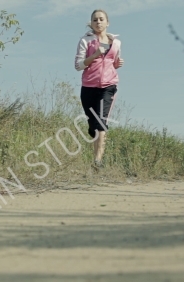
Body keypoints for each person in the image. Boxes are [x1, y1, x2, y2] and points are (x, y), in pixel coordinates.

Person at [75, 9, 124, 170]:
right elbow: (78, 65)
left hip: (108, 86)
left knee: (101, 123)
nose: (98, 22)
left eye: (101, 19)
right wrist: (95, 54)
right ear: (91, 23)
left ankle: (97, 162)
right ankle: (93, 132)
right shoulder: (85, 41)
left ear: (107, 22)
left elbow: (113, 62)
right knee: (93, 125)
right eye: (95, 20)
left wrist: (117, 64)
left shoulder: (116, 43)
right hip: (89, 86)